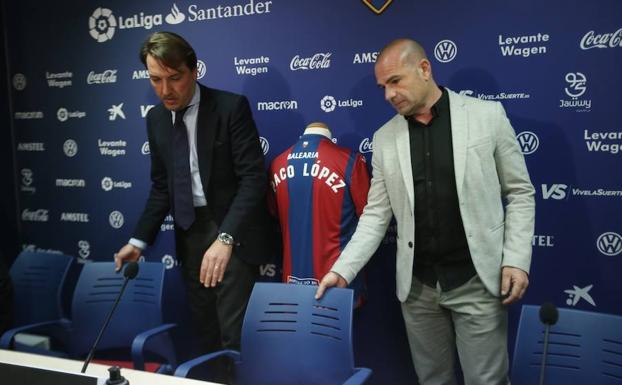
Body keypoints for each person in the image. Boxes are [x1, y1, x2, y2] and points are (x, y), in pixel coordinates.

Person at [316, 38, 535, 385]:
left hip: (477, 280)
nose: (389, 95)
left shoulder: (486, 116)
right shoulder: (385, 138)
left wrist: (516, 259)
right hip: (417, 289)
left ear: (424, 69)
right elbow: (375, 216)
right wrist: (343, 270)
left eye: (395, 81)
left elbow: (520, 193)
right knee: (433, 380)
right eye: (382, 87)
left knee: (487, 381)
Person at [114, 31, 273, 381]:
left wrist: (226, 238)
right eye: (155, 80)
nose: (166, 90)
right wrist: (138, 241)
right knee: (205, 336)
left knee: (234, 337)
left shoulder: (230, 107)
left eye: (175, 78)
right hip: (189, 232)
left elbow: (253, 179)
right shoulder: (155, 119)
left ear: (194, 70)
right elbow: (161, 188)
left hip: (231, 231)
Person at [268, 122, 369, 305]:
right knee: (340, 332)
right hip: (340, 281)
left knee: (297, 331)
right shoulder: (350, 160)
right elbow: (370, 218)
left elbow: (273, 213)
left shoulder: (277, 163)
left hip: (293, 282)